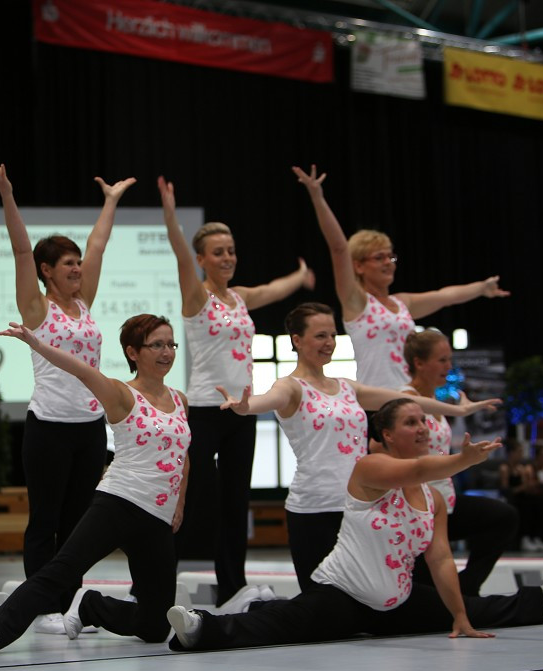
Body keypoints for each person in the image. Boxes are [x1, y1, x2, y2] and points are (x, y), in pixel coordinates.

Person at [166, 399, 543, 652]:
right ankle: (201, 628)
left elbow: (442, 558)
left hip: (397, 603)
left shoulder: (434, 500)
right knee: (275, 626)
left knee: (476, 609)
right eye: (412, 422)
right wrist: (462, 461)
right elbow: (419, 468)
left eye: (425, 423)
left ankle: (535, 599)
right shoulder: (370, 468)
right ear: (388, 435)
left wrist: (460, 619)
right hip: (343, 594)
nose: (424, 428)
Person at [217, 303, 501, 592]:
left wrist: (457, 411)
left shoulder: (347, 387)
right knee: (323, 610)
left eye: (332, 335)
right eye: (320, 336)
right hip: (315, 510)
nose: (328, 343)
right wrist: (244, 407)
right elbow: (266, 400)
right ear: (297, 340)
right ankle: (251, 608)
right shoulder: (290, 387)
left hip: (360, 507)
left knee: (369, 602)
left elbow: (404, 401)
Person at [0, 315, 188, 657]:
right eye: (156, 344)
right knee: (60, 571)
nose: (166, 352)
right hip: (118, 503)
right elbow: (81, 370)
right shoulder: (121, 393)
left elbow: (183, 456)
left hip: (157, 518)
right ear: (132, 352)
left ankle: (90, 607)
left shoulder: (180, 400)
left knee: (156, 627)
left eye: (170, 344)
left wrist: (179, 504)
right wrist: (37, 344)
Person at [0, 160, 136, 633]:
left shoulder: (84, 301)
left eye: (78, 263)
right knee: (43, 523)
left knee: (75, 529)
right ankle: (41, 608)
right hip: (47, 430)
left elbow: (99, 244)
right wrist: (7, 195)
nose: (78, 267)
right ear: (48, 271)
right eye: (68, 263)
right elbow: (21, 251)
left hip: (89, 431)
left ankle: (65, 606)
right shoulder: (37, 306)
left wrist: (110, 202)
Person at [157, 175, 314, 607]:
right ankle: (154, 583)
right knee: (191, 498)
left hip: (241, 413)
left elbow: (272, 290)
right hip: (206, 412)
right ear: (202, 258)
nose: (227, 257)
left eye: (231, 251)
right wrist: (171, 216)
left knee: (235, 503)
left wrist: (299, 276)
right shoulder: (196, 297)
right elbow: (178, 255)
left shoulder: (240, 298)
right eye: (218, 252)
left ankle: (232, 587)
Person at [292, 165, 509, 390]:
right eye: (379, 257)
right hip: (379, 403)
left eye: (390, 257)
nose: (388, 263)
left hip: (410, 398)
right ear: (358, 265)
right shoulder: (356, 302)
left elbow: (445, 296)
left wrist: (481, 288)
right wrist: (318, 198)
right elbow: (339, 249)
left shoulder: (401, 303)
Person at [400, 330, 518, 595]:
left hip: (446, 502)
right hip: (419, 508)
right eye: (442, 360)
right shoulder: (405, 403)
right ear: (419, 363)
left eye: (449, 359)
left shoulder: (438, 403)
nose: (449, 367)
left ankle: (467, 588)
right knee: (427, 593)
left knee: (502, 517)